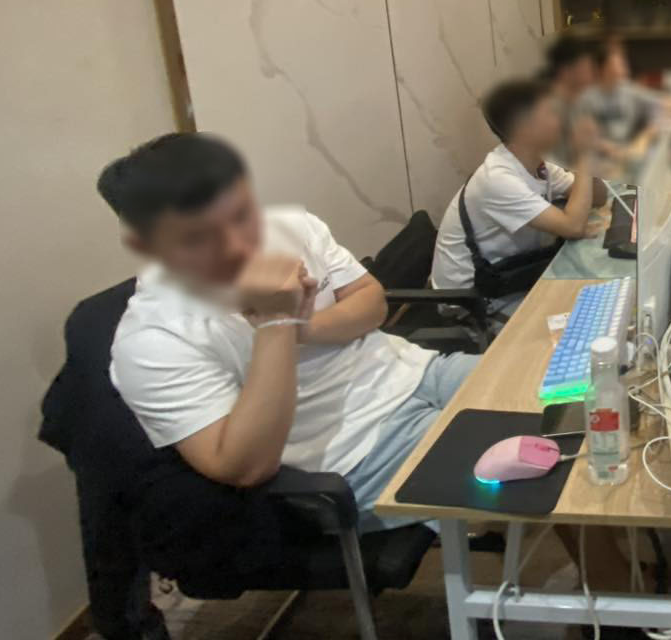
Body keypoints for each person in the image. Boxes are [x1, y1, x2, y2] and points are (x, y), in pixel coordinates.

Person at [101, 133, 478, 530]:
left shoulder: (292, 227)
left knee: (527, 386)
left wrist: (302, 326)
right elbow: (244, 467)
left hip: (418, 372)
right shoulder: (152, 340)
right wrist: (275, 324)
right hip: (357, 452)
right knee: (515, 461)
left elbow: (372, 304)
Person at [431, 79, 601, 303]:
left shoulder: (539, 163)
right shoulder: (497, 179)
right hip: (471, 298)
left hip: (511, 276)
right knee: (580, 304)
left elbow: (598, 197)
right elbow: (573, 227)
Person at [574, 35, 656, 157]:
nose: (623, 68)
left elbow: (661, 105)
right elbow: (582, 136)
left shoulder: (630, 91)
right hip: (599, 158)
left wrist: (645, 136)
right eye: (617, 64)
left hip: (627, 153)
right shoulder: (587, 98)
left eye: (622, 63)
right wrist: (607, 148)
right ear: (603, 68)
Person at [542, 34, 598, 164]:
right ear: (565, 71)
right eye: (586, 67)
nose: (592, 72)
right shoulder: (549, 109)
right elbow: (552, 165)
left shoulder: (578, 100)